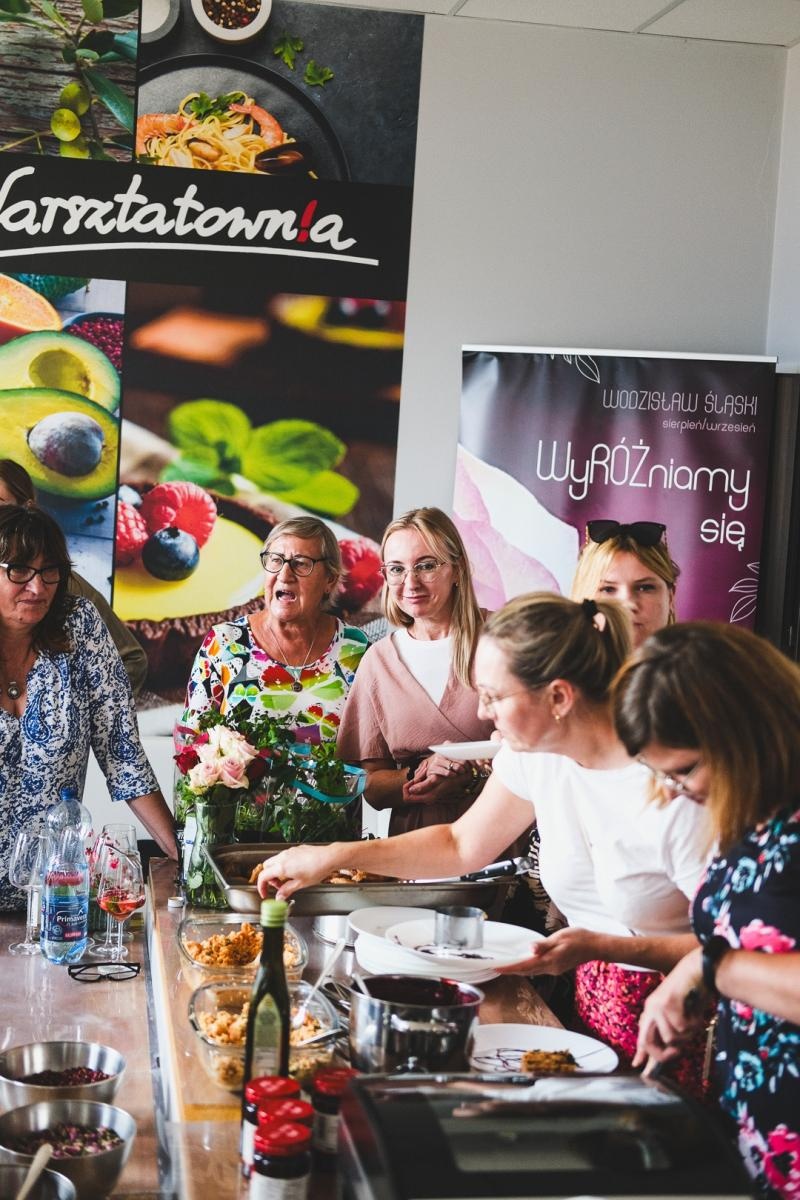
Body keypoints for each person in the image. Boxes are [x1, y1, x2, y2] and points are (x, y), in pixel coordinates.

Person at [259, 592, 710, 1088]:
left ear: (559, 697)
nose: (482, 711)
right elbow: (459, 843)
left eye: (494, 696)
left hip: (681, 1024)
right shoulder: (538, 753)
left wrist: (599, 946)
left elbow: (730, 943)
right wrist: (334, 856)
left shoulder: (672, 785)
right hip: (589, 1012)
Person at [613, 623, 800, 1200]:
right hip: (757, 1127)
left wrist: (714, 968)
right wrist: (696, 974)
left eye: (686, 769)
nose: (672, 790)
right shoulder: (756, 805)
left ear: (745, 731)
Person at [0, 505, 176, 909]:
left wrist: (182, 854)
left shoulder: (79, 625)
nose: (38, 587)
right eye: (19, 571)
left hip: (55, 900)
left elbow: (122, 752)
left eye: (50, 571)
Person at [335, 507, 494, 836]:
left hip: (498, 829)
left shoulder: (503, 637)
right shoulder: (378, 661)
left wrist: (476, 773)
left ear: (458, 569)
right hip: (414, 842)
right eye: (396, 569)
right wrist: (417, 776)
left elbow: (546, 746)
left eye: (426, 565)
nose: (411, 582)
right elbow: (371, 785)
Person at [177, 516, 369, 746]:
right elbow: (190, 742)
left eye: (301, 563)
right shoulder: (225, 643)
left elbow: (370, 750)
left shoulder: (355, 648)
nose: (285, 575)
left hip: (332, 783)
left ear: (330, 579)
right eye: (276, 560)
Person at [0, 459, 148, 696]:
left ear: (26, 509)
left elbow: (130, 659)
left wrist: (74, 710)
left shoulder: (57, 584)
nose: (35, 586)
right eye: (17, 570)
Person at [571, 519, 680, 647]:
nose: (628, 604)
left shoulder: (697, 666)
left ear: (671, 597)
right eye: (608, 589)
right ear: (581, 597)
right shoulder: (556, 666)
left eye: (645, 588)